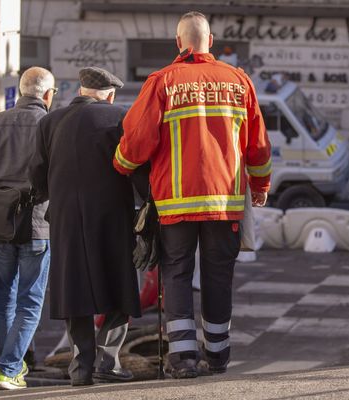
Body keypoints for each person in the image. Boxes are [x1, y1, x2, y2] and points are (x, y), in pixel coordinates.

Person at [113, 11, 272, 378]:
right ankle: (217, 356)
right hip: (224, 204)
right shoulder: (239, 81)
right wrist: (260, 186)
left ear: (178, 43)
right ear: (211, 41)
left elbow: (135, 142)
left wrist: (121, 165)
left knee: (177, 275)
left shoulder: (163, 82)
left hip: (176, 206)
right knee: (218, 277)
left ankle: (183, 360)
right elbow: (258, 145)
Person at [29, 66, 141, 387]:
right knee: (119, 286)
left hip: (65, 220)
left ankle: (80, 368)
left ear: (80, 91)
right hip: (111, 217)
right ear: (110, 95)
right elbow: (135, 166)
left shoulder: (49, 122)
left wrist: (55, 196)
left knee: (74, 290)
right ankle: (109, 360)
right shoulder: (119, 118)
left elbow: (36, 174)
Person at [0, 67, 55, 390]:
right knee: (30, 300)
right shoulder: (48, 124)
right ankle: (7, 368)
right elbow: (54, 178)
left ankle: (6, 366)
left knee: (3, 296)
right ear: (47, 95)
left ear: (21, 92)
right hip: (36, 224)